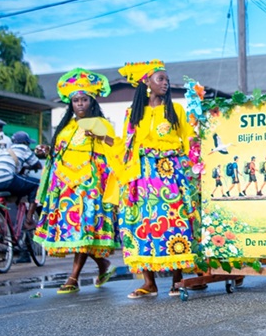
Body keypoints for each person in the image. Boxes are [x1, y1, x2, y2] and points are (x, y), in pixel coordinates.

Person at [33, 68, 120, 294]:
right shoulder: (66, 128)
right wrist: (47, 150)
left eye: (84, 100)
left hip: (88, 186)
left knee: (82, 230)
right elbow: (60, 152)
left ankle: (73, 277)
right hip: (64, 187)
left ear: (91, 101)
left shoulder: (100, 123)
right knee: (71, 232)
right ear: (70, 103)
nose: (79, 104)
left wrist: (99, 136)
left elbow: (114, 149)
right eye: (75, 100)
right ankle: (102, 264)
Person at [117, 60, 198, 298]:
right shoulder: (132, 114)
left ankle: (178, 278)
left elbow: (190, 140)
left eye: (166, 79)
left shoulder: (176, 111)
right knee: (141, 224)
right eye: (160, 78)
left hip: (168, 173)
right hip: (140, 176)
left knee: (173, 221)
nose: (166, 82)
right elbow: (126, 146)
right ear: (147, 83)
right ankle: (148, 282)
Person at [0, 131, 42, 228]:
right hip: (6, 177)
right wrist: (28, 167)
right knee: (37, 184)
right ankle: (29, 220)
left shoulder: (5, 150)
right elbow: (37, 165)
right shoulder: (24, 148)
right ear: (25, 143)